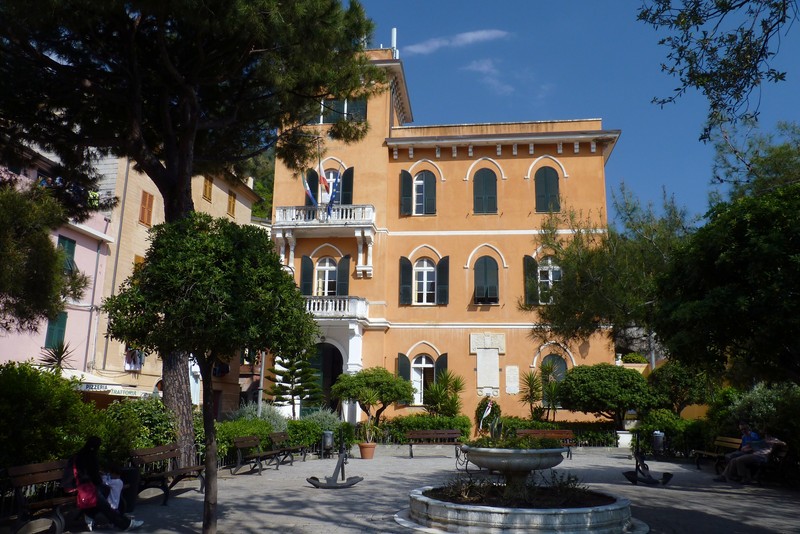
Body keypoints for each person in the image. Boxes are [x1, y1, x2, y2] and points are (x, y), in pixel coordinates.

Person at [73, 436, 143, 531]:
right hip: (88, 488)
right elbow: (94, 476)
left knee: (105, 495)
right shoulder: (91, 456)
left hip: (84, 486)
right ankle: (125, 524)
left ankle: (90, 514)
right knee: (106, 505)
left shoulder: (80, 455)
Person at [714, 436, 785, 484]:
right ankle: (724, 476)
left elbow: (783, 443)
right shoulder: (763, 441)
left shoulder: (774, 440)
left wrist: (773, 442)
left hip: (761, 457)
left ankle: (745, 478)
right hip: (754, 455)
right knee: (734, 460)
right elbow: (754, 446)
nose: (766, 436)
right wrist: (749, 447)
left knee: (739, 460)